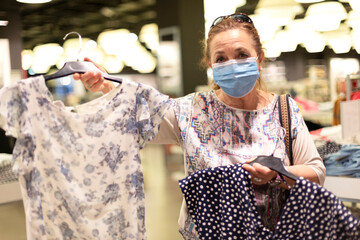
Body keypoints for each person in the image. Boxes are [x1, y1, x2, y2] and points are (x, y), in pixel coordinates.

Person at [74, 13, 325, 239]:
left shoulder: (284, 109)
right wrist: (104, 85)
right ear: (211, 65)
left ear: (259, 59)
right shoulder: (190, 111)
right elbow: (137, 115)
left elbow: (316, 172)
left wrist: (277, 174)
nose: (232, 64)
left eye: (241, 55)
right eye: (221, 58)